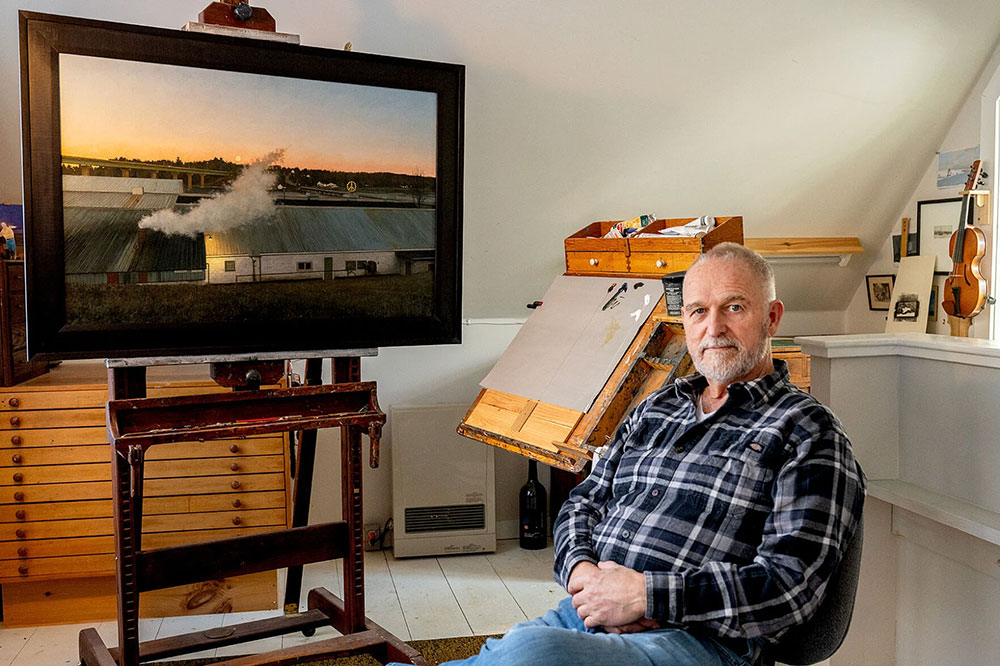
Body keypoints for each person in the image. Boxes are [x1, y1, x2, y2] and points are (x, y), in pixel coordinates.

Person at [390, 242, 865, 666]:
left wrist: (646, 597)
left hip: (701, 641)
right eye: (698, 311)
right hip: (590, 613)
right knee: (516, 650)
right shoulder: (657, 408)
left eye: (734, 307)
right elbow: (584, 504)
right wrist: (585, 575)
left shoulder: (808, 431)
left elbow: (789, 587)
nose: (713, 327)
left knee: (529, 654)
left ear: (772, 317)